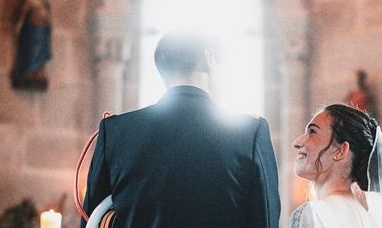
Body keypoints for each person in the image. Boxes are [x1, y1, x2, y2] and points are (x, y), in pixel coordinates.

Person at [82, 32, 281, 227]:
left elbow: (94, 219)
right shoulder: (250, 133)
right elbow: (265, 220)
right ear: (208, 57)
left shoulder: (117, 132)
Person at [289, 103, 382, 228]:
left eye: (312, 132)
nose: (297, 142)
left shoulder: (313, 215)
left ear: (340, 150)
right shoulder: (370, 218)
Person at [11, 0, 52, 90]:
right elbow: (23, 14)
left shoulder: (44, 1)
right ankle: (28, 73)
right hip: (32, 29)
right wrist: (19, 25)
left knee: (41, 52)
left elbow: (48, 16)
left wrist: (48, 22)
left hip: (43, 30)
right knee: (32, 50)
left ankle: (39, 73)